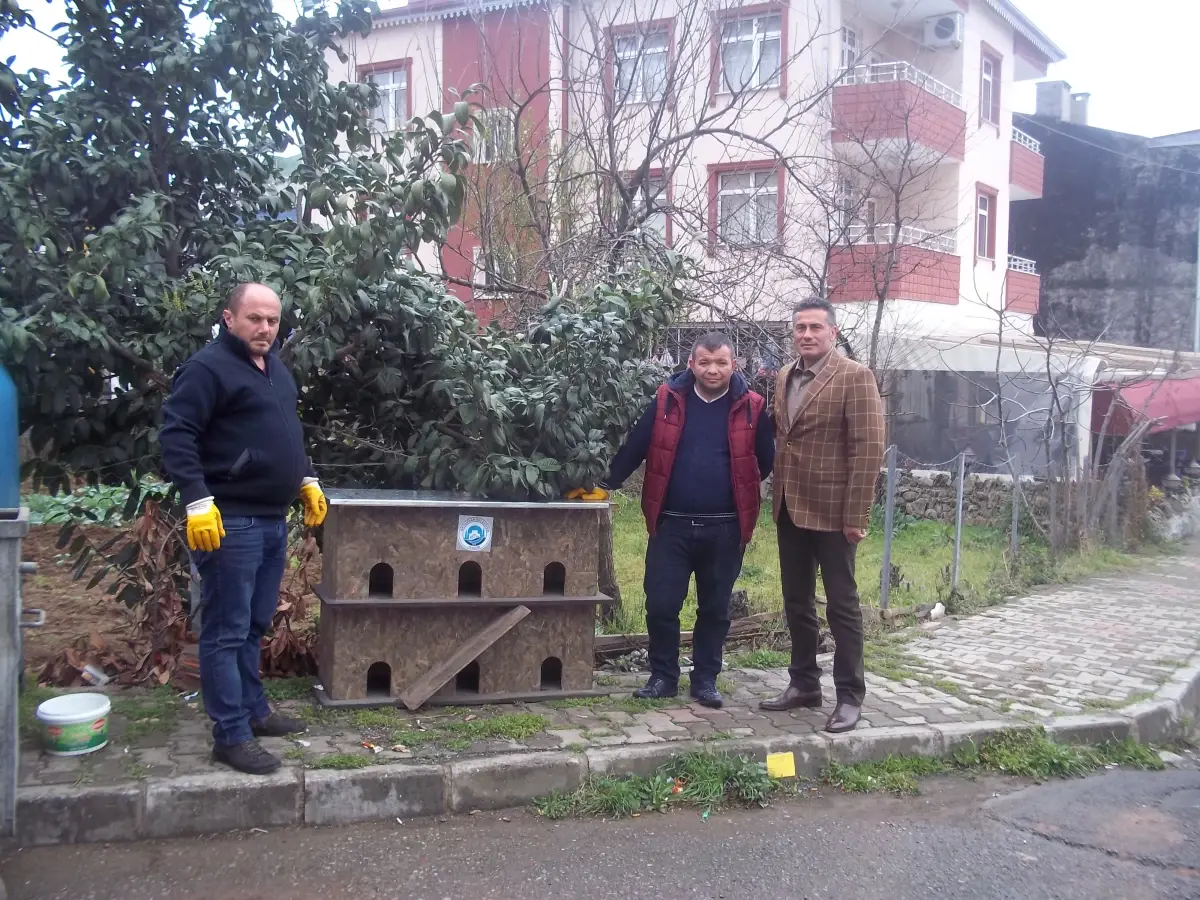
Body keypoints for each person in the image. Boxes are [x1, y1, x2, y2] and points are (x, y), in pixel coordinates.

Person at [160, 283, 328, 774]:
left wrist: (306, 477)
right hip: (230, 521)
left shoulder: (276, 370)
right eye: (255, 319)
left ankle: (253, 713)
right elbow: (177, 434)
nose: (265, 329)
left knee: (253, 625)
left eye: (273, 320)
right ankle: (229, 735)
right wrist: (196, 500)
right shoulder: (206, 369)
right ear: (229, 318)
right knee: (226, 631)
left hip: (274, 521)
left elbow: (283, 431)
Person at [593, 332, 774, 708]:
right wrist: (605, 483)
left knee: (715, 608)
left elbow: (765, 460)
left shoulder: (752, 406)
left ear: (733, 365)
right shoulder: (666, 401)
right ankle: (662, 676)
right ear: (690, 364)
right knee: (661, 604)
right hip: (670, 525)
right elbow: (636, 447)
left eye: (721, 362)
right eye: (704, 362)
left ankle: (705, 679)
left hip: (726, 528)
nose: (712, 369)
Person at [760, 298, 884, 733]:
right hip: (790, 507)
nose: (806, 334)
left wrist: (857, 514)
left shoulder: (855, 376)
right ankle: (804, 683)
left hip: (835, 513)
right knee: (796, 601)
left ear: (833, 332)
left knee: (842, 606)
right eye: (800, 328)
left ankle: (850, 696)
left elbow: (867, 449)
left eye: (815, 327)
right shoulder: (783, 376)